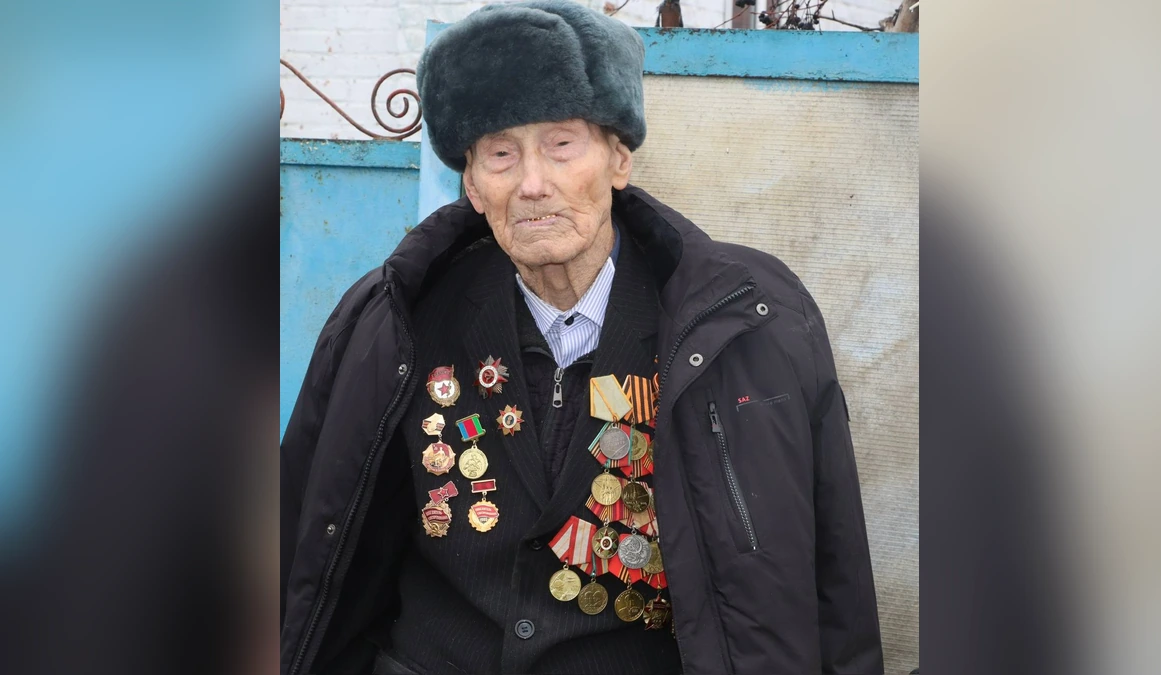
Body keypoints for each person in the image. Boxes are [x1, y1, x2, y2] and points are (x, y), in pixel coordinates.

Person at [280, 2, 883, 674]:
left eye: (561, 144)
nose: (533, 184)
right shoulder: (395, 317)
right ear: (472, 184)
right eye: (500, 154)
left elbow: (834, 575)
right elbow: (304, 543)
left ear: (619, 159)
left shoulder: (745, 321)